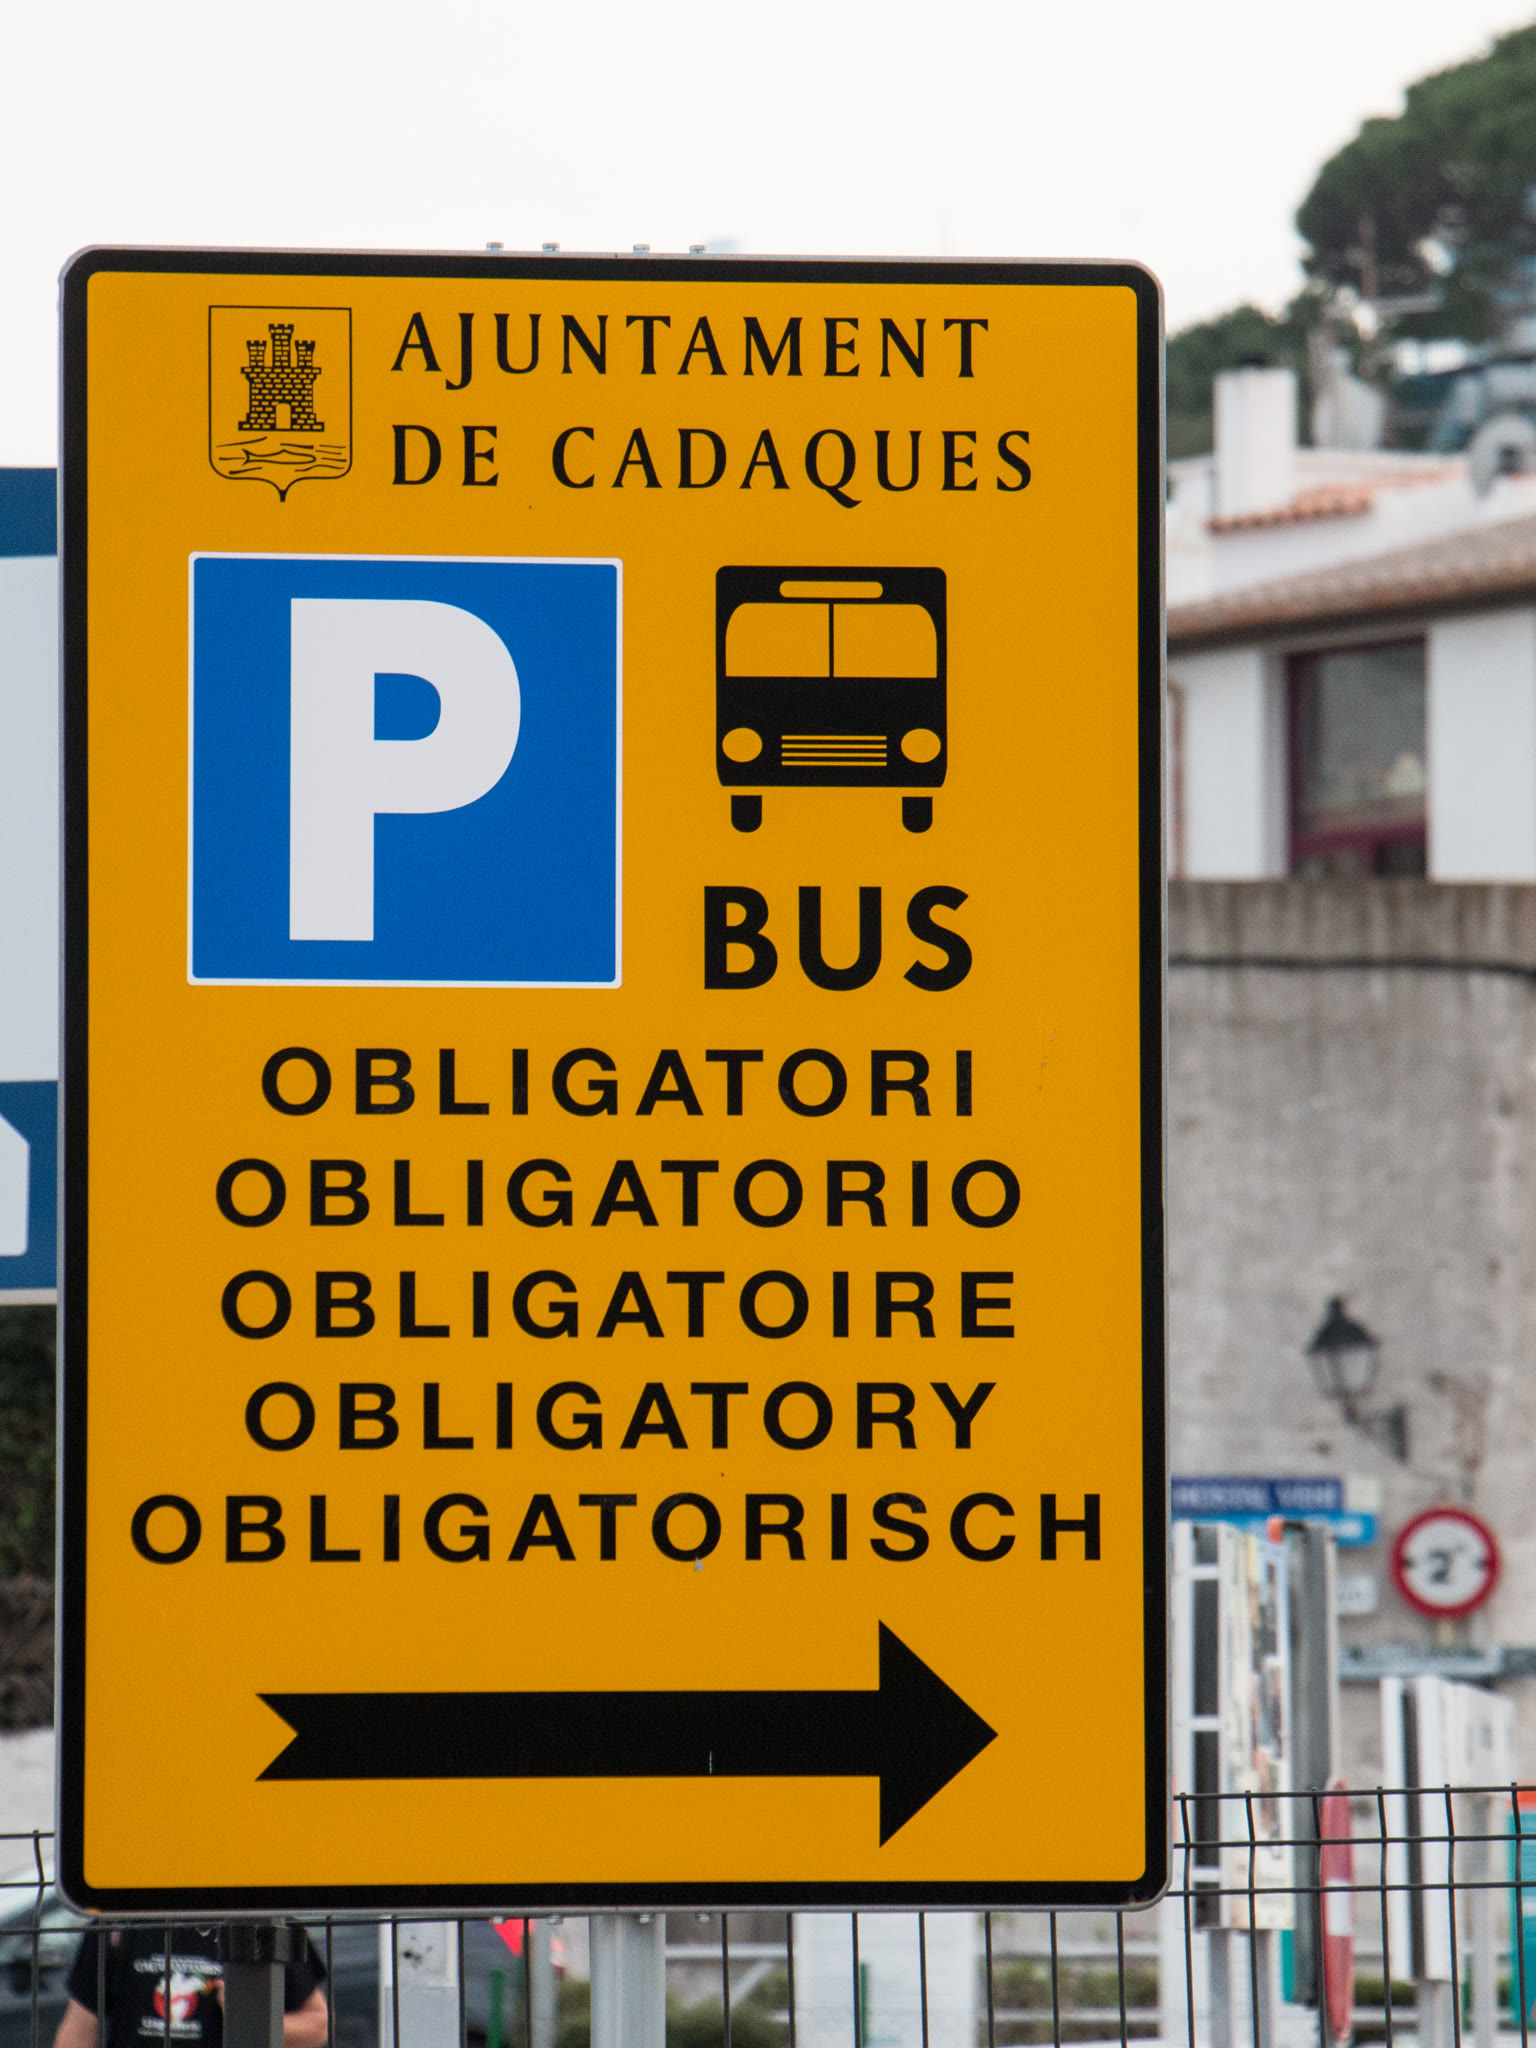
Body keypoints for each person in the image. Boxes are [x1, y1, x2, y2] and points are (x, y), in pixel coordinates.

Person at [54, 1927, 329, 2048]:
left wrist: (249, 2019)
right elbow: (78, 2032)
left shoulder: (260, 1918)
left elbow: (317, 2027)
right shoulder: (118, 1922)